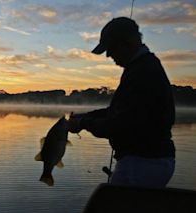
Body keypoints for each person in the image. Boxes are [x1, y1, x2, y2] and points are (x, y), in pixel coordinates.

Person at [67, 17, 175, 188]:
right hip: (145, 161)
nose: (109, 55)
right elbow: (118, 112)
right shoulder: (140, 68)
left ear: (129, 42)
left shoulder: (143, 72)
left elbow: (119, 124)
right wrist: (85, 117)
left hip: (143, 163)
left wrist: (83, 123)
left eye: (111, 48)